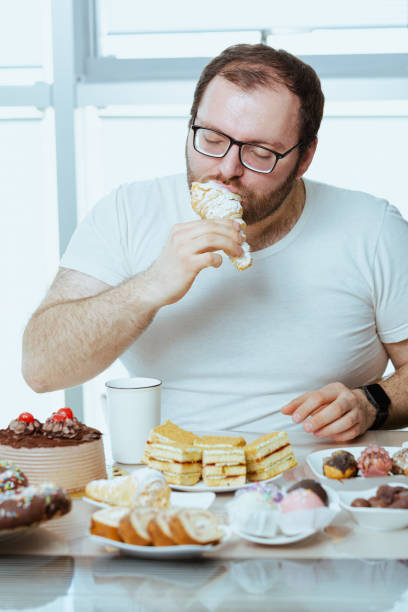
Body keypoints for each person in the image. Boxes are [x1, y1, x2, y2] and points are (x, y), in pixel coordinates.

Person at [22, 44, 408, 440]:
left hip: (321, 479)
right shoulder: (127, 212)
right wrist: (150, 286)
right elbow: (41, 369)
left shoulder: (372, 228)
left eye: (260, 152)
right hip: (166, 480)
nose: (226, 169)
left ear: (304, 157)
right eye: (211, 138)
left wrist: (372, 403)